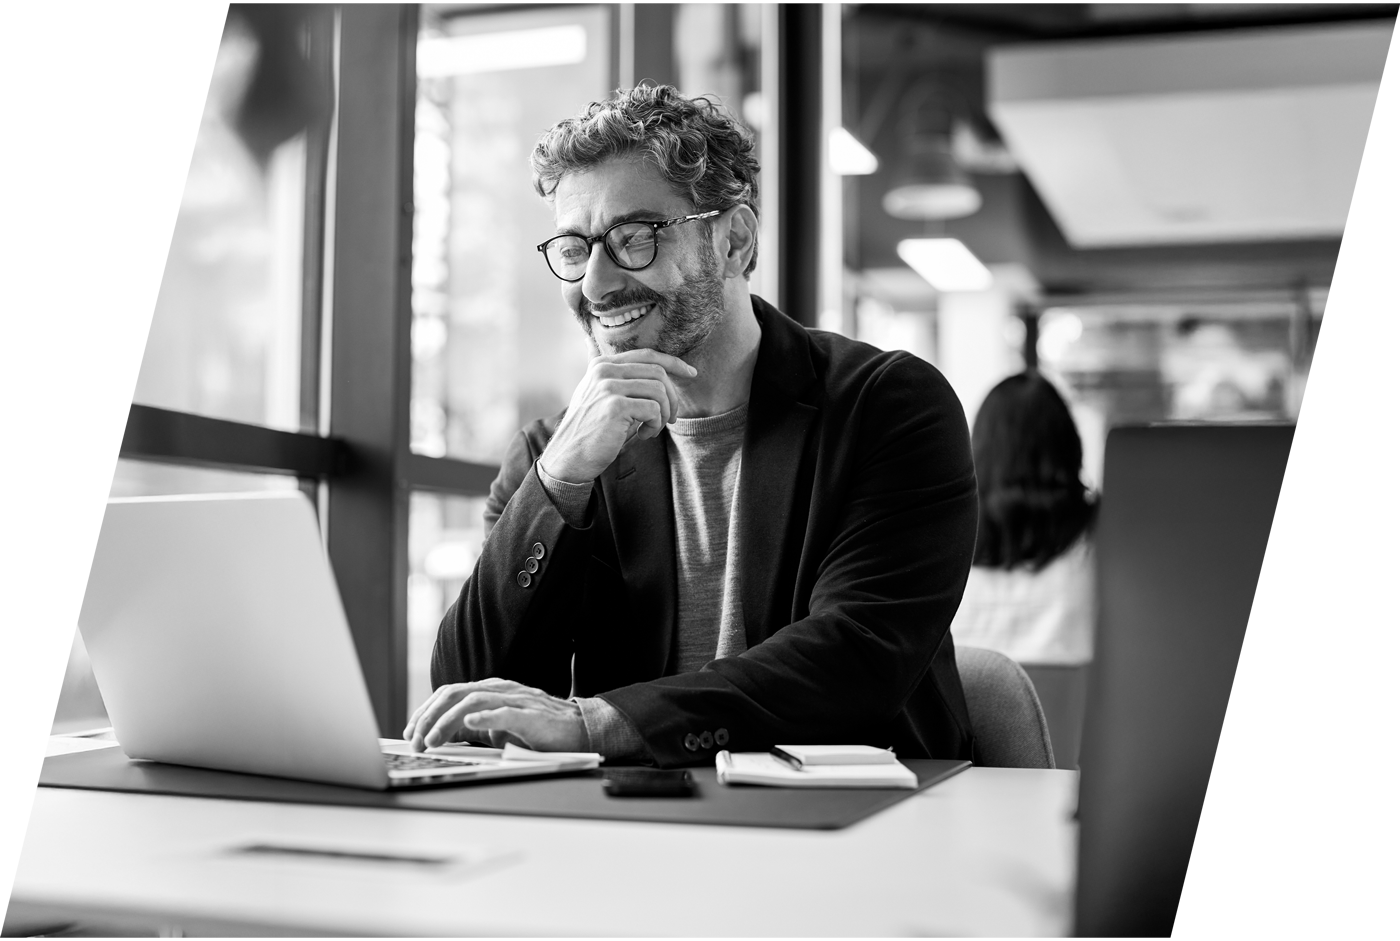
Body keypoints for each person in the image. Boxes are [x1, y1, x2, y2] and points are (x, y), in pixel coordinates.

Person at [404, 84, 978, 768]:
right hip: (641, 816)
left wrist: (602, 724)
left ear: (733, 240)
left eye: (634, 239)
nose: (595, 285)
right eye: (575, 248)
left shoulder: (889, 408)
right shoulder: (553, 454)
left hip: (861, 809)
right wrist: (558, 482)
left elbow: (856, 661)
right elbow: (470, 692)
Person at [950, 371, 1097, 665]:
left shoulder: (946, 541)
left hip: (971, 692)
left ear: (980, 448)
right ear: (1069, 447)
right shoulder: (1101, 537)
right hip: (1073, 692)